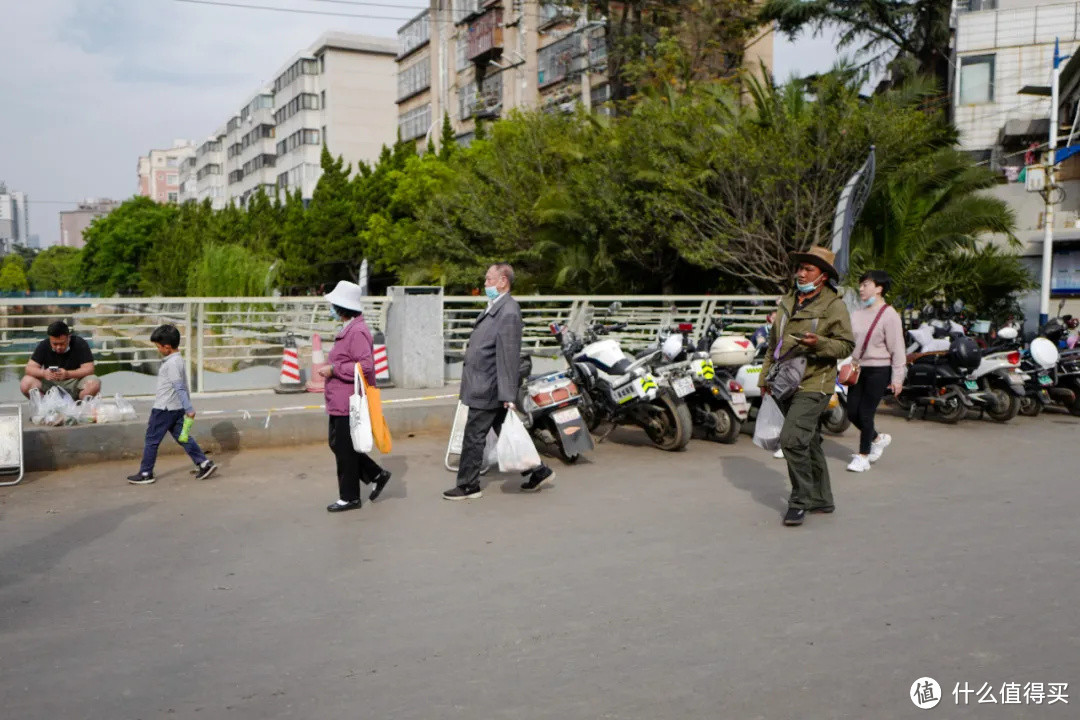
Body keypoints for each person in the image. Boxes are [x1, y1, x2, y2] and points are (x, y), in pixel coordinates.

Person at [760, 247, 854, 527]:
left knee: (791, 440)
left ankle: (799, 500)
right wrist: (764, 379)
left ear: (823, 276)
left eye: (808, 269)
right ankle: (823, 499)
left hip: (815, 384)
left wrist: (820, 344)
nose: (801, 273)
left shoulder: (833, 305)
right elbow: (773, 345)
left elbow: (846, 344)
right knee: (808, 441)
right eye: (799, 268)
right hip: (784, 381)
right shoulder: (788, 300)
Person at [443, 263, 554, 500]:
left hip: (489, 387)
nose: (485, 284)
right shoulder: (496, 307)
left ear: (503, 281)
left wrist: (507, 395)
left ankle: (468, 485)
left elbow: (508, 356)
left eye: (489, 279)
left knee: (474, 435)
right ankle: (538, 470)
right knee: (505, 432)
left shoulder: (509, 311)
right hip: (485, 384)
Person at [320, 281, 391, 513]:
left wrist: (334, 369)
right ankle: (376, 474)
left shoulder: (358, 331)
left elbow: (367, 367)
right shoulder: (350, 328)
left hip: (348, 400)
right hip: (341, 400)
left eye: (333, 304)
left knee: (343, 448)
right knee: (340, 445)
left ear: (342, 307)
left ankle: (350, 497)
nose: (330, 308)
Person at [127, 325, 218, 484]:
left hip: (164, 408)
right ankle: (203, 463)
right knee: (183, 437)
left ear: (167, 347)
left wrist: (189, 408)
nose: (157, 349)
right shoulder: (178, 360)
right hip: (176, 408)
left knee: (151, 440)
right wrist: (185, 406)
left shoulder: (171, 364)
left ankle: (146, 472)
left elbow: (179, 386)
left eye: (158, 347)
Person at [845, 270, 906, 473]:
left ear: (879, 288)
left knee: (866, 413)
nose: (861, 288)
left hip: (879, 369)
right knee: (852, 412)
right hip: (858, 368)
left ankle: (863, 456)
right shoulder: (856, 314)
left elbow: (897, 349)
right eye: (861, 285)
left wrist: (898, 378)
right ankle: (877, 439)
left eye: (866, 285)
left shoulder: (889, 315)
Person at [21, 321, 101, 400]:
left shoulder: (79, 343)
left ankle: (80, 405)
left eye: (62, 343)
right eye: (54, 344)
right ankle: (46, 406)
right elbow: (29, 369)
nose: (58, 347)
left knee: (94, 383)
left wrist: (68, 374)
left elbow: (89, 369)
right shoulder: (44, 345)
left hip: (74, 382)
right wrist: (44, 373)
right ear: (50, 339)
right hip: (51, 384)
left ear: (68, 337)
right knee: (26, 383)